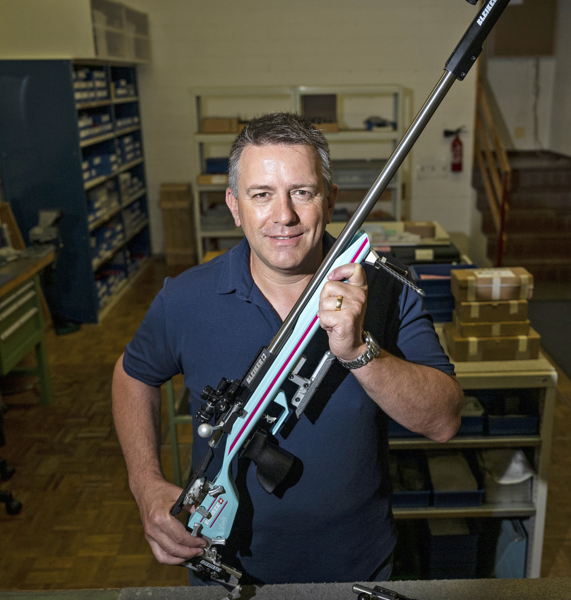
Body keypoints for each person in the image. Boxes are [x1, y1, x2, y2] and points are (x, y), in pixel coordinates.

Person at [112, 112, 462, 585]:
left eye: (302, 192)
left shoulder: (385, 289)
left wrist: (359, 351)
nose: (284, 216)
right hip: (224, 570)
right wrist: (146, 484)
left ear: (331, 199)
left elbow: (443, 420)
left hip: (356, 568)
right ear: (234, 206)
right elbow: (133, 374)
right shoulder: (185, 298)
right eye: (262, 195)